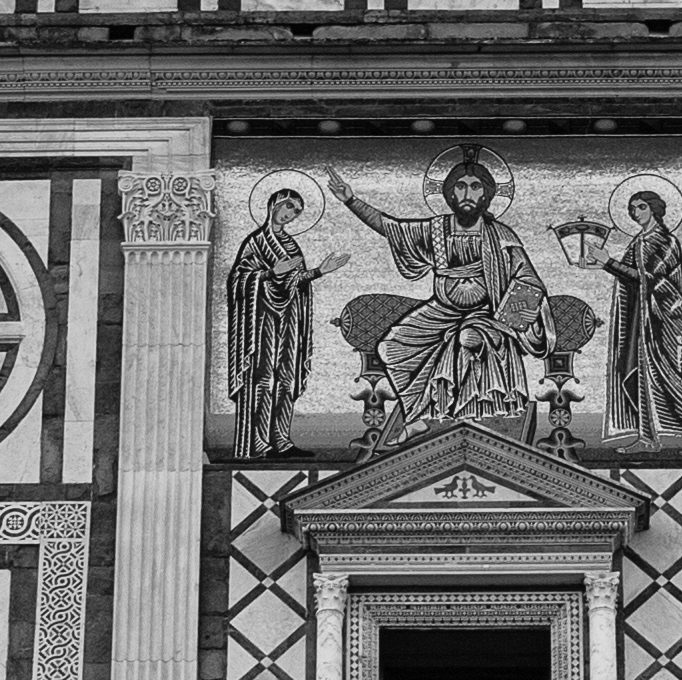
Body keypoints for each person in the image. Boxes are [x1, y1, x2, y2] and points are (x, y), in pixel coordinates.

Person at [340, 154, 558, 441]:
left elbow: (529, 279)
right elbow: (390, 227)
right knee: (390, 348)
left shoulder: (500, 235)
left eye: (476, 187)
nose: (468, 194)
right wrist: (351, 201)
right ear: (450, 193)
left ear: (488, 195)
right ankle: (416, 417)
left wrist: (510, 320)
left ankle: (469, 417)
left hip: (486, 313)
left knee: (468, 339)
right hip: (441, 310)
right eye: (461, 186)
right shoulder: (436, 230)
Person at [597, 186, 682, 439]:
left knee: (666, 376)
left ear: (655, 208)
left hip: (661, 319)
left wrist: (609, 263)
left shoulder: (665, 241)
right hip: (639, 316)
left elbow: (649, 278)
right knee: (634, 373)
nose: (636, 213)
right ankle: (647, 436)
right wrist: (607, 264)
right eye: (632, 208)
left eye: (641, 207)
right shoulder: (638, 241)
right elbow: (631, 278)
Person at [223, 188, 318, 458]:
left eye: (296, 212)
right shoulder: (255, 242)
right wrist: (268, 274)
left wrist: (321, 271)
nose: (290, 215)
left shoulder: (290, 245)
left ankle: (283, 440)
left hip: (288, 317)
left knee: (287, 377)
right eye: (287, 207)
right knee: (264, 378)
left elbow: (295, 281)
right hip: (260, 318)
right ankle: (260, 442)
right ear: (274, 205)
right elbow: (237, 281)